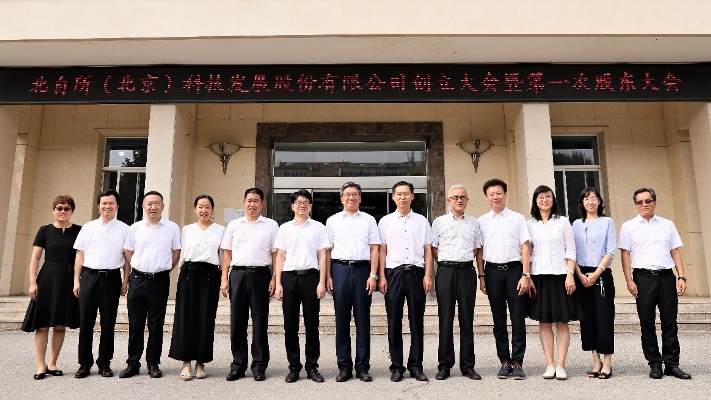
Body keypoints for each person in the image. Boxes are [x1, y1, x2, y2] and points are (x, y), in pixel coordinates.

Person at [619, 187, 692, 380]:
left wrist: (681, 276)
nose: (644, 205)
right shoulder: (628, 227)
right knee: (647, 322)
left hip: (666, 277)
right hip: (643, 278)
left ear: (655, 203)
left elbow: (675, 251)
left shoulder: (667, 225)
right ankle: (654, 363)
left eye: (648, 201)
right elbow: (625, 255)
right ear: (636, 205)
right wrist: (629, 280)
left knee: (670, 322)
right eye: (640, 202)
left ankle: (672, 364)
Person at [120, 191, 181, 379]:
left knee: (156, 324)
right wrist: (138, 267)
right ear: (143, 206)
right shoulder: (135, 228)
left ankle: (153, 363)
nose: (153, 207)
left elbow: (176, 253)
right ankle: (133, 363)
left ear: (163, 206)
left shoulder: (172, 228)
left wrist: (164, 269)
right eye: (149, 204)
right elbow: (128, 252)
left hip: (160, 281)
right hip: (138, 280)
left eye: (157, 203)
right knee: (135, 324)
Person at [221, 188, 279, 382]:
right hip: (237, 275)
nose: (252, 204)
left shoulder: (271, 225)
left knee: (260, 321)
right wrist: (224, 278)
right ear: (244, 202)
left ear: (262, 203)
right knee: (237, 321)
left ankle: (259, 366)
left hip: (261, 275)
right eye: (249, 200)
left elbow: (276, 254)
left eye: (256, 201)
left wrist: (274, 277)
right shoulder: (234, 225)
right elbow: (227, 253)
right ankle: (238, 365)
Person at [475, 178, 531, 380]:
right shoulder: (481, 221)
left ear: (505, 195)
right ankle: (504, 362)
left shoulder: (517, 218)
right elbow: (479, 251)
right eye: (491, 194)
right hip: (492, 272)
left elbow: (526, 246)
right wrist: (482, 276)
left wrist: (525, 274)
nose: (495, 197)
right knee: (498, 319)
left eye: (499, 193)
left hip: (515, 271)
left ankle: (517, 362)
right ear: (486, 197)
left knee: (517, 318)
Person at [378, 181, 433, 382]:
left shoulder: (422, 221)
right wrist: (381, 276)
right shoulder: (385, 222)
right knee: (394, 322)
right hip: (394, 274)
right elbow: (382, 250)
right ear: (393, 197)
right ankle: (396, 367)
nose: (403, 197)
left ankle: (416, 366)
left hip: (417, 274)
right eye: (399, 194)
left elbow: (428, 250)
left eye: (406, 193)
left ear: (412, 196)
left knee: (416, 321)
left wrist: (428, 275)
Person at [326, 182, 380, 382]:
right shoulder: (332, 221)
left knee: (362, 320)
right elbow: (327, 251)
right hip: (339, 270)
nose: (351, 197)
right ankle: (344, 366)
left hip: (362, 271)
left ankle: (362, 366)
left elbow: (374, 249)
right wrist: (328, 276)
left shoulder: (369, 220)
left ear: (360, 198)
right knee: (341, 320)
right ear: (341, 198)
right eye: (347, 194)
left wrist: (373, 275)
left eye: (355, 194)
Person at [526, 185, 581, 380]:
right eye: (540, 197)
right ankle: (550, 364)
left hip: (560, 276)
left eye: (547, 196)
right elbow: (526, 252)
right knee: (544, 322)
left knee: (562, 322)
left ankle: (561, 365)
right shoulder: (529, 224)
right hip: (539, 277)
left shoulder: (563, 222)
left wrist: (570, 274)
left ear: (553, 199)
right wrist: (527, 276)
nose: (544, 200)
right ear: (535, 201)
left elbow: (571, 249)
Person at [22, 195, 81, 380]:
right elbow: (35, 258)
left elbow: (80, 257)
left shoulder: (79, 231)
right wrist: (33, 282)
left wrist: (77, 281)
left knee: (60, 325)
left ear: (72, 211)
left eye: (66, 208)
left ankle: (53, 363)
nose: (62, 211)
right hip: (47, 279)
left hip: (68, 280)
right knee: (42, 325)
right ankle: (41, 365)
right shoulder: (44, 230)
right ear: (53, 210)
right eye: (59, 208)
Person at [72, 189, 130, 379]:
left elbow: (127, 258)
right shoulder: (88, 227)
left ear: (117, 205)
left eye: (111, 203)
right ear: (99, 206)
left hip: (112, 279)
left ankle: (104, 363)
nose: (107, 206)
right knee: (86, 322)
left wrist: (125, 280)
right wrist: (76, 281)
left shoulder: (125, 229)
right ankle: (84, 364)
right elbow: (80, 256)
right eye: (104, 203)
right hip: (89, 277)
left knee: (108, 322)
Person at [274, 189, 329, 383]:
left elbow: (323, 256)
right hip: (289, 278)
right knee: (290, 325)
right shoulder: (284, 228)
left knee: (312, 324)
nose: (302, 205)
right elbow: (280, 256)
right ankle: (294, 367)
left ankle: (312, 366)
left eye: (306, 202)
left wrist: (322, 281)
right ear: (292, 206)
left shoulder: (319, 228)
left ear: (311, 206)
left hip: (311, 278)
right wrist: (278, 283)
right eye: (298, 202)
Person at [168, 195, 224, 380]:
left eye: (207, 207)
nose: (204, 210)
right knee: (186, 317)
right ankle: (186, 361)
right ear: (195, 209)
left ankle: (201, 361)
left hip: (210, 274)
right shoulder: (187, 229)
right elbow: (181, 254)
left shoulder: (220, 230)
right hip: (189, 273)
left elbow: (222, 256)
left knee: (205, 317)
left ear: (212, 210)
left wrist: (224, 278)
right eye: (200, 206)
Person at [431, 184, 482, 381]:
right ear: (448, 201)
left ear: (467, 200)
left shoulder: (474, 223)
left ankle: (468, 366)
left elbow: (477, 249)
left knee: (467, 319)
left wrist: (480, 275)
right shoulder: (439, 222)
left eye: (463, 197)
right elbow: (434, 248)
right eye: (455, 197)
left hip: (467, 272)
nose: (459, 200)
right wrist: (447, 263)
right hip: (446, 271)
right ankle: (444, 365)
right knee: (445, 319)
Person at [572, 187, 616, 379]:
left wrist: (596, 274)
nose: (590, 202)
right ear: (582, 203)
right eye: (586, 199)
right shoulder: (575, 224)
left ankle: (607, 363)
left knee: (604, 318)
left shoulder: (607, 222)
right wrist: (580, 275)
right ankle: (596, 361)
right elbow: (571, 252)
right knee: (587, 319)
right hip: (581, 275)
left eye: (594, 198)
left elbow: (610, 251)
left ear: (599, 201)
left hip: (601, 275)